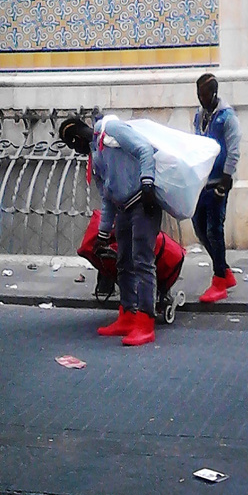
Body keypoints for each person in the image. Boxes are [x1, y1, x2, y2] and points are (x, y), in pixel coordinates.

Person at [60, 114, 160, 347]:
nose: (75, 149)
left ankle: (146, 323)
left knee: (143, 261)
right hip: (123, 208)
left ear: (76, 136)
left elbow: (144, 149)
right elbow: (107, 196)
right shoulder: (95, 155)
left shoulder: (111, 128)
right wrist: (103, 233)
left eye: (72, 143)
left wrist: (147, 183)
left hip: (142, 203)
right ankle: (128, 315)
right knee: (123, 263)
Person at [192, 74, 241, 303]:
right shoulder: (198, 116)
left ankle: (219, 279)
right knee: (199, 227)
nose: (202, 99)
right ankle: (224, 270)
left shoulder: (227, 118)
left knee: (214, 229)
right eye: (199, 95)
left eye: (205, 95)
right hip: (203, 180)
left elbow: (233, 151)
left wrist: (225, 180)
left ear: (214, 93)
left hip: (219, 181)